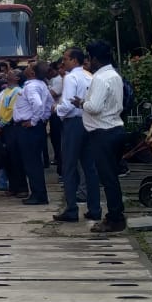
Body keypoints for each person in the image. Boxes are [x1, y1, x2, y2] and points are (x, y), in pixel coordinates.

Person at [78, 40, 126, 232]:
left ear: (95, 58)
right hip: (114, 128)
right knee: (111, 177)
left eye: (89, 58)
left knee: (107, 178)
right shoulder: (114, 75)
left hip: (102, 132)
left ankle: (115, 217)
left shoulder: (99, 78)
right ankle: (116, 214)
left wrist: (82, 103)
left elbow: (95, 107)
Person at [53, 47, 99, 223]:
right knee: (89, 167)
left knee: (69, 166)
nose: (63, 62)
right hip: (89, 121)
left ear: (74, 60)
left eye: (65, 59)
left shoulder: (71, 77)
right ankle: (95, 208)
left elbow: (68, 103)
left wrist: (56, 109)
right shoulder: (90, 76)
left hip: (73, 123)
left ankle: (71, 208)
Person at [14, 62, 54, 205]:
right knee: (35, 161)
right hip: (35, 128)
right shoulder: (42, 85)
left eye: (29, 66)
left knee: (31, 163)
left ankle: (38, 195)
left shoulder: (31, 86)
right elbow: (49, 103)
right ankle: (39, 193)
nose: (26, 67)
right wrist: (43, 118)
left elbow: (37, 104)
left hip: (28, 128)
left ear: (32, 73)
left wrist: (34, 121)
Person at [0, 69, 23, 194]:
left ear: (17, 78)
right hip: (0, 127)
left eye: (10, 74)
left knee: (14, 158)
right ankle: (11, 186)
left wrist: (1, 125)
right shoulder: (3, 92)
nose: (7, 76)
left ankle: (18, 187)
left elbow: (11, 111)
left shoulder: (18, 92)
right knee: (6, 159)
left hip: (10, 127)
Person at [48, 63, 64, 172]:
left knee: (59, 141)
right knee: (56, 141)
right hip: (55, 113)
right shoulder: (54, 80)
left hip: (59, 113)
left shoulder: (59, 80)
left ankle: (62, 168)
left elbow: (52, 94)